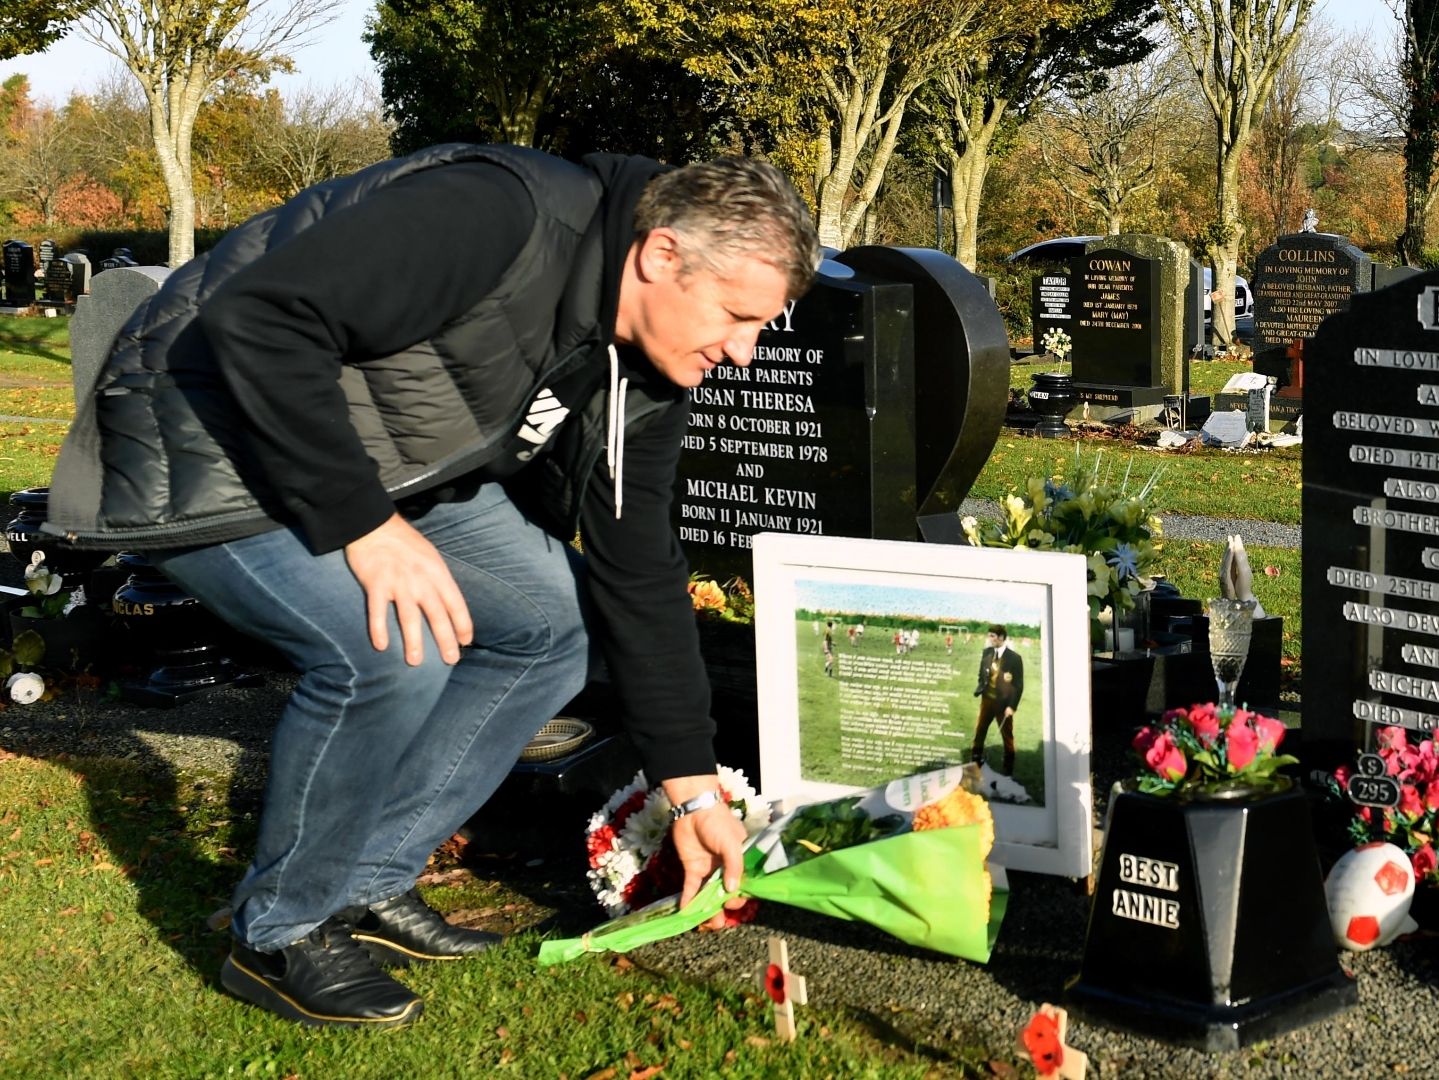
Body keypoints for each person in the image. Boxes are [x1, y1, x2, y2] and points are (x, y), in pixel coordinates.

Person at [44, 146, 819, 1029]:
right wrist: (366, 527)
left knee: (552, 624)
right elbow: (260, 319)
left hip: (383, 472)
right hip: (205, 443)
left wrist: (694, 787)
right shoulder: (499, 214)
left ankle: (367, 880)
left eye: (763, 326)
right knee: (384, 644)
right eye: (736, 315)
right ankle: (279, 931)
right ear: (661, 257)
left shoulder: (647, 366)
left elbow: (636, 567)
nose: (745, 352)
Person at [969, 625, 1024, 774]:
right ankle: (975, 762)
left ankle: (1008, 768)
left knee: (1007, 736)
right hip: (987, 701)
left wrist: (1012, 706)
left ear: (1001, 638)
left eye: (993, 636)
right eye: (989, 636)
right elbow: (982, 674)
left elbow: (1019, 685)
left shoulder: (1015, 658)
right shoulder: (986, 653)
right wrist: (981, 685)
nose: (990, 639)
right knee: (980, 731)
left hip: (1004, 704)